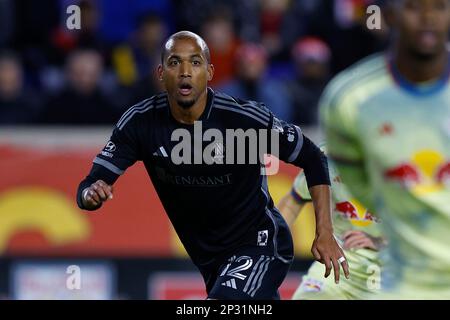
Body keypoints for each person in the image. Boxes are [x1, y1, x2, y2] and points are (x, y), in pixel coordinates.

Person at [76, 31, 349, 300]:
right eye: (175, 62)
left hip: (260, 244)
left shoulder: (243, 119)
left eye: (195, 62)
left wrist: (324, 232)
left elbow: (313, 157)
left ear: (209, 72)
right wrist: (91, 195)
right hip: (211, 262)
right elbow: (90, 185)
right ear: (161, 73)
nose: (185, 71)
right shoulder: (140, 123)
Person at [320, 0, 450, 299]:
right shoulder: (350, 99)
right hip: (405, 281)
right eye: (415, 7)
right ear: (390, 15)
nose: (428, 17)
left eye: (440, 6)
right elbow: (367, 192)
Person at [278, 145, 385, 299]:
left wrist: (381, 241)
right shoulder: (326, 157)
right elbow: (293, 201)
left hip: (393, 268)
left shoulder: (402, 162)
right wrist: (267, 244)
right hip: (339, 261)